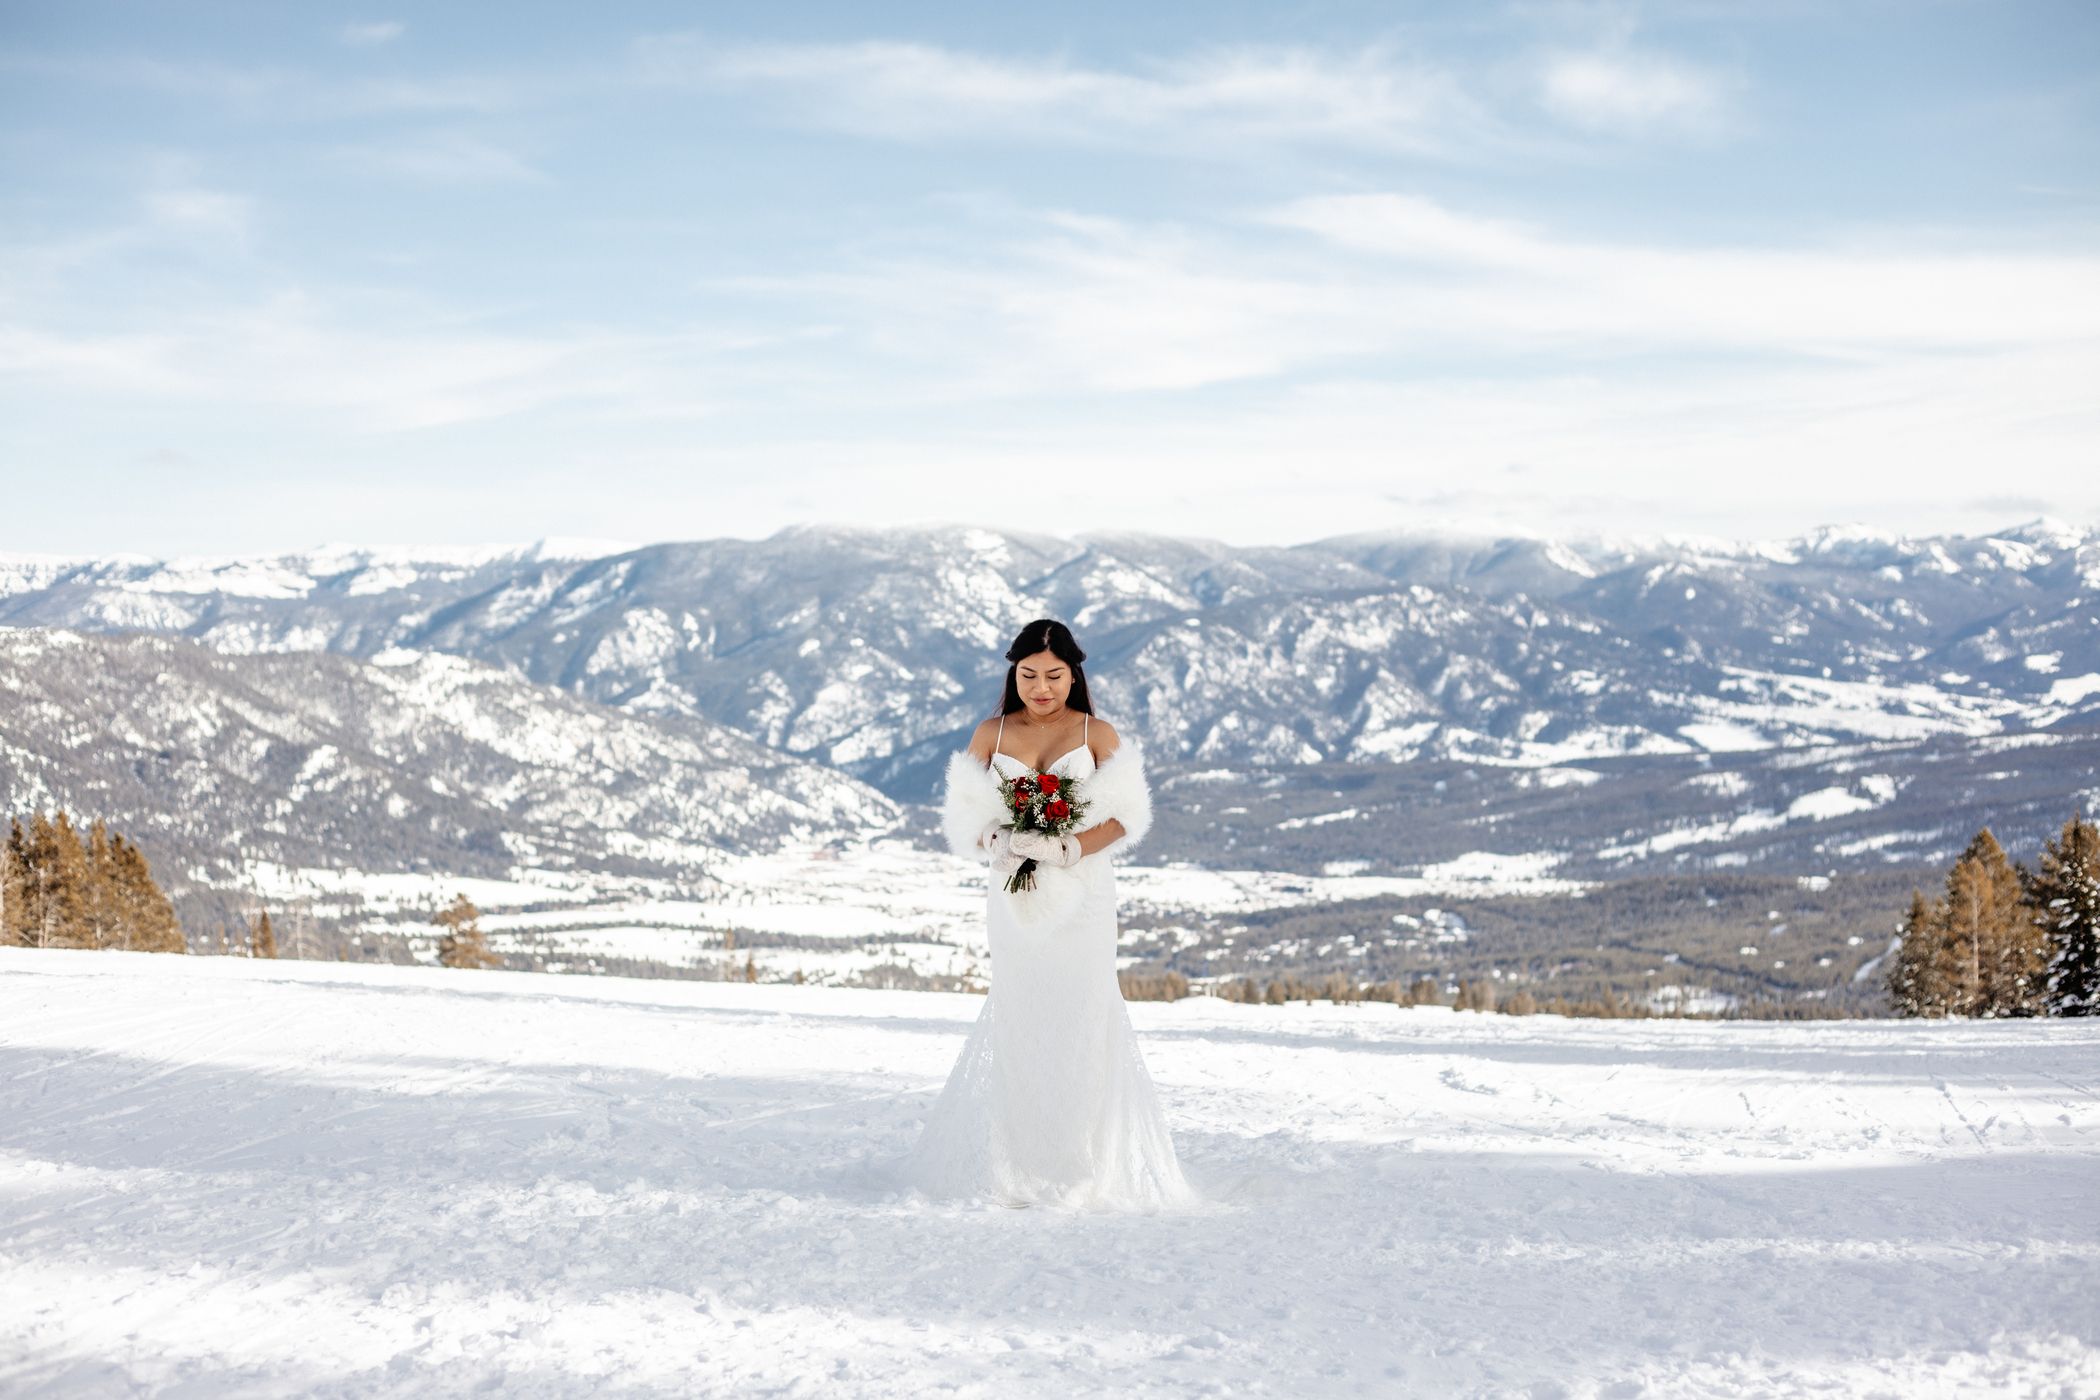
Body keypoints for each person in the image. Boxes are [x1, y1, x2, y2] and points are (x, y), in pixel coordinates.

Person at [897, 617, 1200, 1211]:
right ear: (1014, 674)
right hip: (1013, 895)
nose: (1041, 687)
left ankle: (1082, 1165)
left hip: (1085, 897)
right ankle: (1016, 1163)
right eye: (1029, 674)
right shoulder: (991, 732)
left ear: (1073, 675)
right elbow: (962, 813)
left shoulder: (1097, 733)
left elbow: (1129, 815)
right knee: (1021, 1011)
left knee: (1084, 1012)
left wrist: (1069, 847)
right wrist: (996, 841)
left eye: (1054, 675)